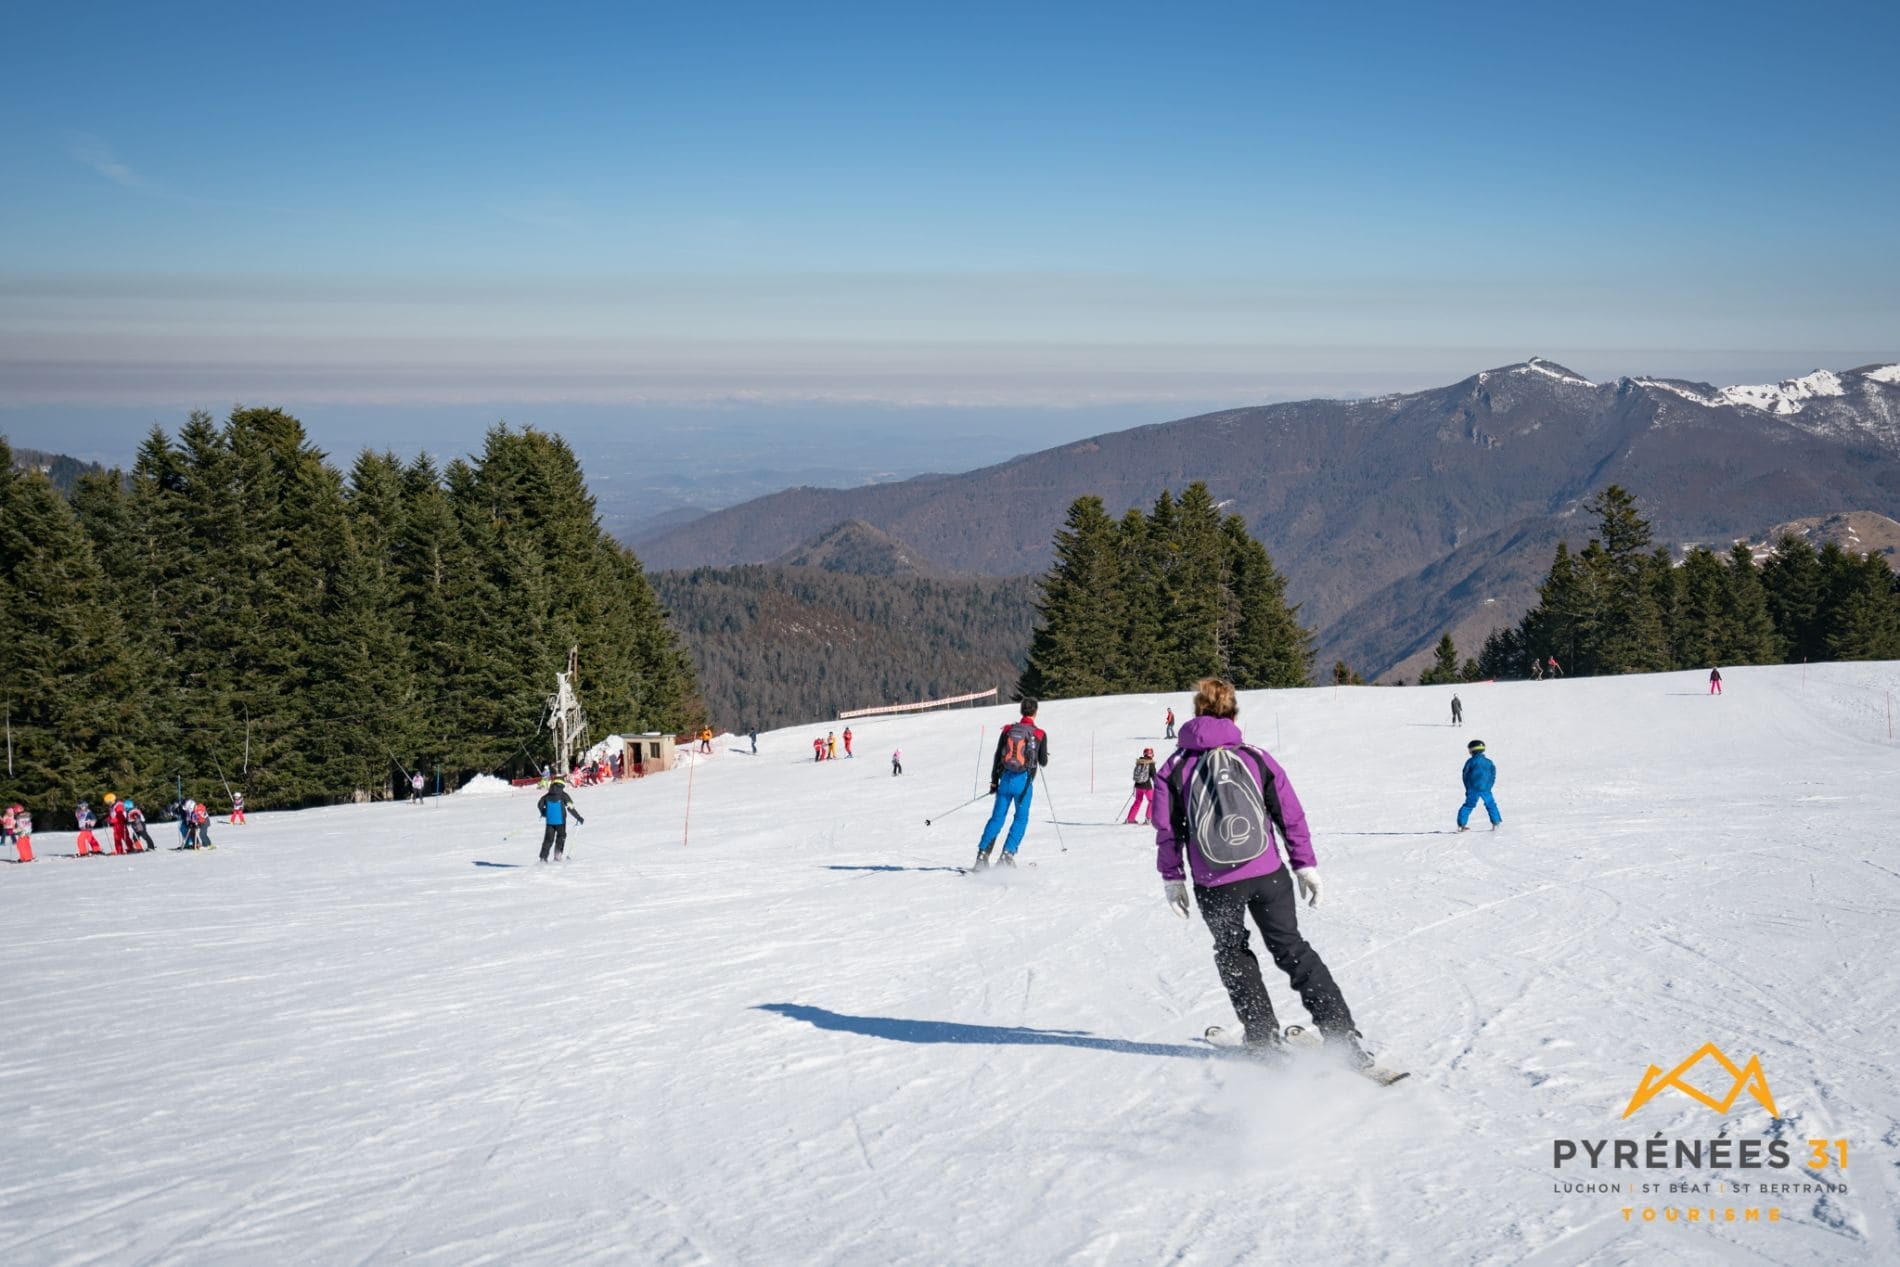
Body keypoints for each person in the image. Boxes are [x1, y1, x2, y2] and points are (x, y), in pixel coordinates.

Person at [1152, 677, 1373, 1067]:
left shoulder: (1174, 767)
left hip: (1214, 883)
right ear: (1233, 712)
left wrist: (1173, 879)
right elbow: (1290, 815)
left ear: (1196, 713)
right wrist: (1304, 865)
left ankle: (1262, 1038)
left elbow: (1168, 830)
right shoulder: (1256, 757)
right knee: (1292, 949)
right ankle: (1342, 1036)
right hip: (1268, 874)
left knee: (1233, 952)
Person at [973, 698, 1049, 870]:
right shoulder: (1039, 734)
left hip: (1005, 778)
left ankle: (982, 856)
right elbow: (1043, 762)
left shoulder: (1008, 730)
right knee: (1021, 818)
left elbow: (997, 756)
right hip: (1024, 782)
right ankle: (1007, 854)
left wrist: (994, 781)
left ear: (1021, 711)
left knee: (997, 818)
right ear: (1035, 712)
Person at [535, 776, 584, 862]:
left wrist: (543, 812)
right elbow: (570, 807)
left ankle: (543, 857)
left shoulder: (547, 795)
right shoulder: (563, 795)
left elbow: (539, 804)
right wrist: (578, 817)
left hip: (550, 821)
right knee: (561, 837)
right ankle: (557, 856)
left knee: (548, 839)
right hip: (560, 821)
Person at [1457, 739, 1501, 831]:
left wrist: (1468, 787)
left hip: (1473, 788)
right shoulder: (1489, 762)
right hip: (1485, 788)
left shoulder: (1470, 761)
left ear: (1471, 750)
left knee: (1468, 805)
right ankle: (1496, 822)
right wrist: (1489, 786)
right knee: (1491, 804)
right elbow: (1493, 775)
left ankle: (1461, 824)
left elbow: (1465, 775)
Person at [1127, 748, 1157, 825]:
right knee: (1152, 801)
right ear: (1150, 754)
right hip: (1146, 786)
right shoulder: (1150, 763)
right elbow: (1154, 775)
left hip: (1138, 785)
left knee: (1138, 801)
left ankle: (1130, 818)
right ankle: (1148, 819)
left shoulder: (1139, 762)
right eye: (1151, 754)